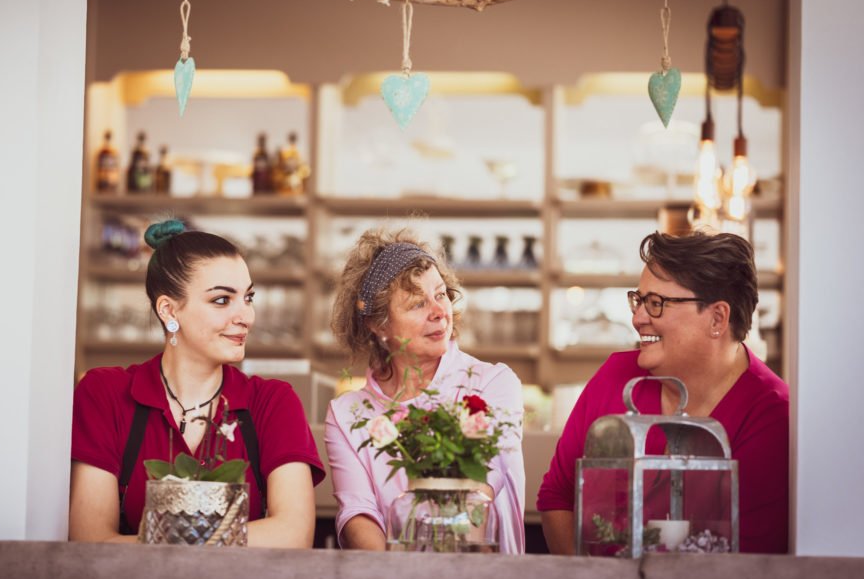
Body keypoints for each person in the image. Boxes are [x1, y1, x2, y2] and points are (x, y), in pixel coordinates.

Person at [70, 220, 324, 545]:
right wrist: (220, 541)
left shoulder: (272, 401)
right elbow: (89, 540)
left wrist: (171, 541)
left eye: (248, 297)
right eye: (222, 300)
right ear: (169, 310)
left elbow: (294, 534)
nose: (246, 316)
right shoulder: (105, 393)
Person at [538, 231, 789, 554]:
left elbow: (751, 562)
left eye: (656, 304)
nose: (637, 318)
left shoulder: (772, 416)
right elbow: (558, 497)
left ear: (717, 318)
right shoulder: (615, 376)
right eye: (639, 301)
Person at [324, 228, 526, 553]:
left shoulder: (493, 383)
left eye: (441, 294)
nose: (438, 311)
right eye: (418, 303)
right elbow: (357, 513)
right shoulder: (347, 413)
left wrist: (443, 574)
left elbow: (485, 482)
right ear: (378, 324)